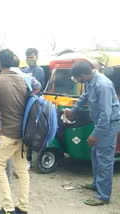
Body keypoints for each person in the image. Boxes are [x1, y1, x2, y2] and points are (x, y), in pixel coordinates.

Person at [64, 61, 120, 206]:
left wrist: (95, 134)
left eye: (77, 78)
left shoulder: (103, 85)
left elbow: (106, 114)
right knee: (95, 154)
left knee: (104, 159)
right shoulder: (90, 81)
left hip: (109, 123)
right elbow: (85, 96)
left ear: (83, 75)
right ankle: (97, 184)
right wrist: (74, 110)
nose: (78, 81)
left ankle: (103, 196)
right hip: (101, 122)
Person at [0, 49, 29, 214]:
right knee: (22, 170)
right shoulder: (23, 79)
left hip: (7, 134)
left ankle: (8, 208)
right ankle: (23, 208)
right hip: (24, 134)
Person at [22, 48, 44, 170]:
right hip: (25, 103)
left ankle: (29, 158)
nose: (30, 59)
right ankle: (23, 156)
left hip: (34, 103)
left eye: (32, 57)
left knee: (31, 130)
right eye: (28, 57)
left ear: (36, 57)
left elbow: (37, 88)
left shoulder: (39, 70)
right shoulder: (25, 70)